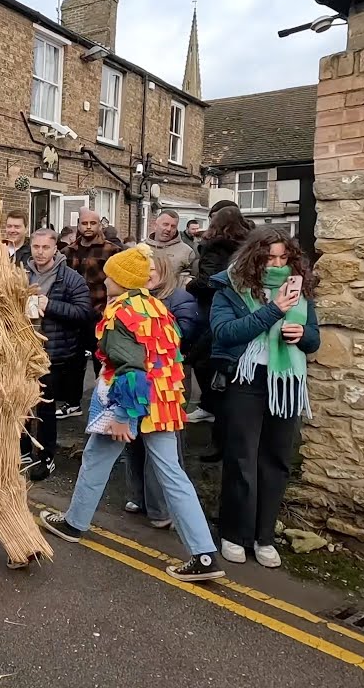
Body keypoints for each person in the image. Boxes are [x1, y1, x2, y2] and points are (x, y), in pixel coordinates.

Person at [37, 243, 226, 583]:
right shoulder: (155, 307)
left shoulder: (119, 313)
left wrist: (125, 415)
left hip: (131, 400)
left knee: (96, 458)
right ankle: (204, 553)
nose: (105, 278)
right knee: (172, 473)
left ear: (121, 280)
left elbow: (132, 368)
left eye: (110, 274)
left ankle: (74, 523)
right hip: (164, 400)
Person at [210, 227, 320, 568]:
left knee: (275, 460)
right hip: (246, 379)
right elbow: (225, 333)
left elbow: (314, 340)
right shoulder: (230, 288)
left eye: (283, 257)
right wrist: (272, 310)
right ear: (254, 257)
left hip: (285, 382)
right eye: (269, 257)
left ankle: (263, 536)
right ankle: (235, 533)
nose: (277, 263)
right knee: (242, 458)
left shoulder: (299, 289)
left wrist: (302, 334)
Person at [123, 252, 201, 529]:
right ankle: (138, 497)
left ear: (164, 271)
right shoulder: (132, 298)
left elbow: (181, 335)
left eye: (153, 269)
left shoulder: (179, 298)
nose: (148, 274)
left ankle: (160, 509)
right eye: (144, 269)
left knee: (163, 446)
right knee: (134, 441)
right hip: (136, 377)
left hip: (168, 381)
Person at [22, 229, 91, 481]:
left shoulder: (69, 278)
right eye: (36, 247)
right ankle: (23, 451)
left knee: (45, 407)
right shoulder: (20, 274)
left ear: (55, 249)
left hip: (52, 352)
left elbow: (84, 313)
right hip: (21, 352)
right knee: (20, 402)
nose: (40, 252)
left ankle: (46, 457)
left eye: (45, 247)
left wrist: (49, 305)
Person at [185, 201, 253, 446]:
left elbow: (208, 280)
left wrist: (189, 285)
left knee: (200, 357)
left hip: (212, 306)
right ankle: (218, 406)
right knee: (229, 356)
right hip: (243, 305)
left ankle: (211, 405)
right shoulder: (250, 244)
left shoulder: (213, 246)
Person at [58, 209, 122, 419]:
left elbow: (119, 282)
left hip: (100, 313)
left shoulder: (111, 251)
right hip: (75, 314)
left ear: (99, 225)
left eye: (92, 223)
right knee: (73, 362)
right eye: (84, 223)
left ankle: (103, 403)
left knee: (101, 361)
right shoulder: (69, 251)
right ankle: (73, 403)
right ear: (78, 225)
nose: (88, 227)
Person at [144, 209, 197, 280]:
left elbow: (191, 281)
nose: (169, 229)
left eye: (173, 226)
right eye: (165, 224)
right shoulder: (141, 249)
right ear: (155, 225)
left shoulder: (187, 252)